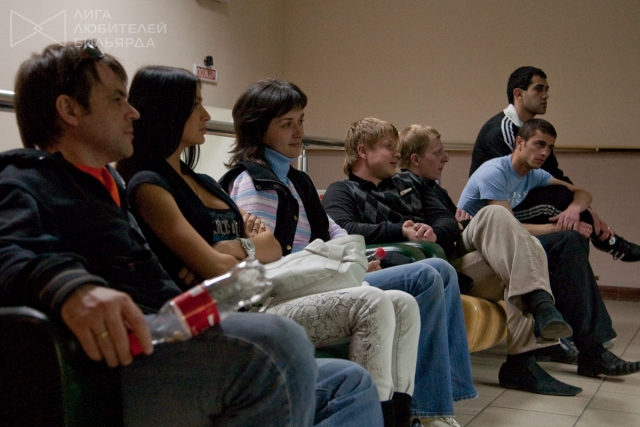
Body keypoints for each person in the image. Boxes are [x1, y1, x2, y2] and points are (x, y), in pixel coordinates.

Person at [0, 42, 383, 427]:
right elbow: (8, 251)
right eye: (117, 100)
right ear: (69, 110)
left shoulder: (108, 183)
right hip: (114, 360)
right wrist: (70, 288)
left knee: (348, 381)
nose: (133, 112)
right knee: (278, 343)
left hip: (167, 331)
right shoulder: (24, 178)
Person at [116, 67, 416, 427]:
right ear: (167, 111)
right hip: (236, 309)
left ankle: (401, 418)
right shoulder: (150, 185)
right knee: (374, 301)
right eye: (196, 105)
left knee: (402, 302)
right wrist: (235, 253)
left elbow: (271, 245)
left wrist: (232, 249)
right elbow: (218, 268)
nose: (207, 115)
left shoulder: (205, 181)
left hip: (254, 294)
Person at [219, 78, 476, 427]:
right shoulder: (252, 183)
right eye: (286, 124)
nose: (299, 132)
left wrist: (358, 260)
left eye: (300, 121)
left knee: (426, 280)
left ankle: (419, 414)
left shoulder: (297, 180)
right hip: (285, 292)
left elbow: (336, 233)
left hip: (320, 279)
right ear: (257, 128)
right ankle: (418, 413)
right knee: (423, 277)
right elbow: (265, 260)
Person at [322, 118, 587, 396]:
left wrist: (432, 233)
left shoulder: (410, 182)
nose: (397, 154)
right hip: (412, 270)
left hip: (452, 263)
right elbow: (344, 229)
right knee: (523, 254)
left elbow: (447, 221)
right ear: (363, 151)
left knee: (498, 217)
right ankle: (532, 334)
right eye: (389, 147)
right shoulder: (343, 191)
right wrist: (401, 230)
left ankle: (530, 341)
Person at [459, 118, 640, 382]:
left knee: (572, 241)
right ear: (519, 143)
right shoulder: (494, 172)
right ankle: (583, 347)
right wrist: (559, 228)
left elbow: (582, 193)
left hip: (505, 251)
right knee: (566, 240)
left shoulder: (533, 174)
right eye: (539, 144)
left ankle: (590, 351)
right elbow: (509, 229)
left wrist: (574, 211)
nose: (545, 152)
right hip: (477, 254)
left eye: (550, 147)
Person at [470, 66, 640, 262]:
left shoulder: (534, 132)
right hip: (494, 213)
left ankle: (598, 247)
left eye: (547, 89)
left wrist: (582, 208)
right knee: (562, 210)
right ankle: (607, 242)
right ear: (518, 94)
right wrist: (577, 210)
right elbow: (511, 186)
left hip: (519, 201)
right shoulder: (502, 131)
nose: (546, 95)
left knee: (569, 208)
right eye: (539, 89)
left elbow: (556, 177)